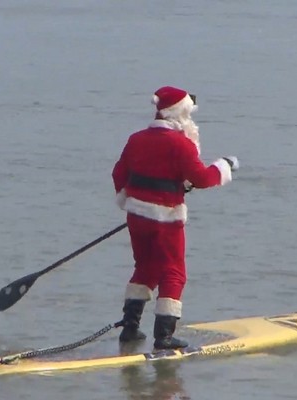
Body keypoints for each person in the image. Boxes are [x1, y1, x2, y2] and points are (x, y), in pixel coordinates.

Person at [112, 86, 239, 350]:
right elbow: (202, 179)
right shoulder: (180, 143)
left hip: (136, 216)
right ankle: (164, 337)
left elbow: (118, 174)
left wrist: (130, 200)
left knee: (145, 267)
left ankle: (130, 329)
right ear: (180, 114)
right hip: (165, 219)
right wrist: (224, 166)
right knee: (174, 272)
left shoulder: (136, 138)